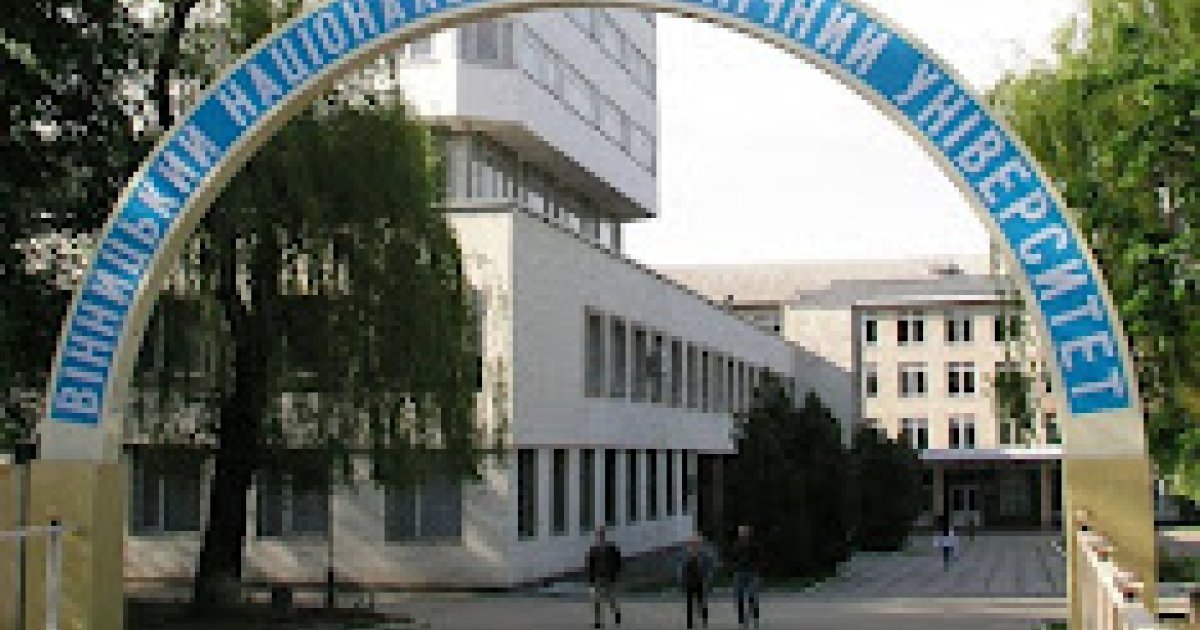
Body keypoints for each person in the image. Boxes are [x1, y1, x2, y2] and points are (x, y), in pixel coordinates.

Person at [585, 527, 623, 629]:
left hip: (609, 578)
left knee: (611, 601)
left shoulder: (612, 548)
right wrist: (591, 580)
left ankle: (616, 613)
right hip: (598, 578)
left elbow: (618, 562)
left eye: (602, 535)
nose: (600, 538)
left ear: (604, 536)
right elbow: (590, 566)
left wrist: (616, 575)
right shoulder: (593, 550)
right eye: (599, 535)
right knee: (596, 601)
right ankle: (598, 622)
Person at [728, 525, 763, 629]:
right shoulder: (736, 545)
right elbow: (732, 558)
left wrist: (757, 571)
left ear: (749, 533)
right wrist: (734, 568)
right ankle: (741, 619)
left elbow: (759, 559)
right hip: (739, 572)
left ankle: (755, 617)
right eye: (741, 532)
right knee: (739, 597)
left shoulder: (754, 545)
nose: (743, 534)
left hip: (752, 572)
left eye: (745, 532)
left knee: (753, 596)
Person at [678, 534, 715, 629]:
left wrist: (708, 578)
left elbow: (709, 566)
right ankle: (690, 624)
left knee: (702, 603)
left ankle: (704, 621)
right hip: (690, 582)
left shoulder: (704, 553)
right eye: (691, 543)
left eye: (695, 543)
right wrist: (682, 581)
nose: (693, 544)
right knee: (690, 604)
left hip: (700, 580)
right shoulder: (685, 554)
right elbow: (682, 569)